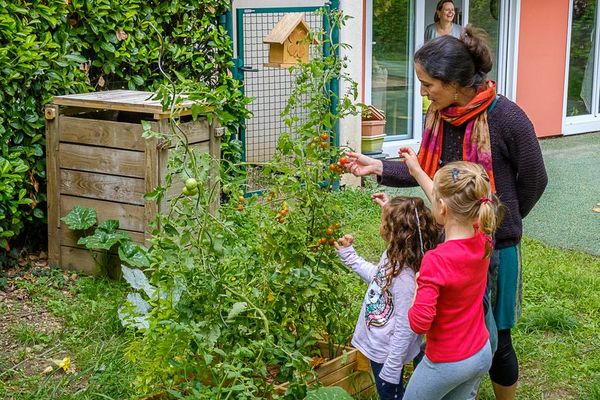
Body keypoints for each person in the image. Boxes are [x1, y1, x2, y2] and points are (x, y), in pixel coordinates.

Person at [345, 25, 548, 400]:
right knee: (445, 327)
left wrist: (496, 224)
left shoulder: (508, 119)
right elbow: (427, 172)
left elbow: (534, 181)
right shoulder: (440, 115)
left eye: (428, 85)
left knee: (497, 337)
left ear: (455, 83)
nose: (422, 93)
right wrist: (376, 167)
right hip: (453, 244)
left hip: (495, 248)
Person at [401, 160, 502, 399]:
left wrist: (417, 292)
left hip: (447, 363)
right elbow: (456, 204)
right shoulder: (484, 238)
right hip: (480, 352)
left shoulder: (436, 261)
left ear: (443, 207)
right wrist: (416, 171)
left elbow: (419, 324)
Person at [335, 196, 439, 400]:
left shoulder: (405, 277)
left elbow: (405, 325)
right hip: (382, 344)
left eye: (384, 222)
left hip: (387, 352)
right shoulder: (395, 256)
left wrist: (392, 366)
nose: (381, 225)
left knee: (391, 396)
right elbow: (379, 278)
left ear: (395, 232)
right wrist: (350, 257)